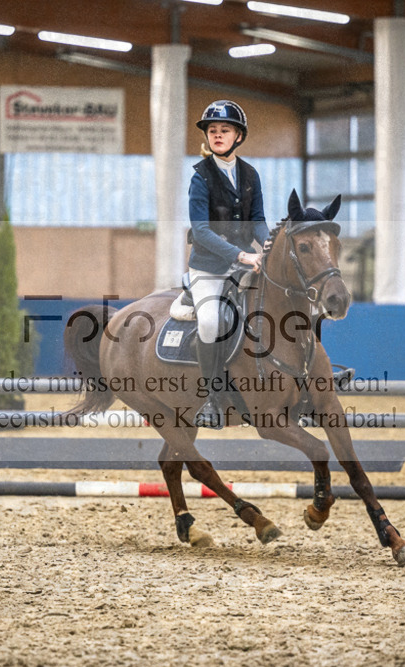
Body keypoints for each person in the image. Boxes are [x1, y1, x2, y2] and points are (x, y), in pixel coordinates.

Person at [187, 99, 270, 429]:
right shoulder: (200, 177)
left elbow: (258, 219)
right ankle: (210, 397)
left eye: (224, 130)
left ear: (238, 136)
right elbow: (201, 231)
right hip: (208, 267)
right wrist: (241, 255)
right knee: (209, 322)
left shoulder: (250, 174)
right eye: (212, 130)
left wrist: (266, 245)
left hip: (243, 266)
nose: (217, 135)